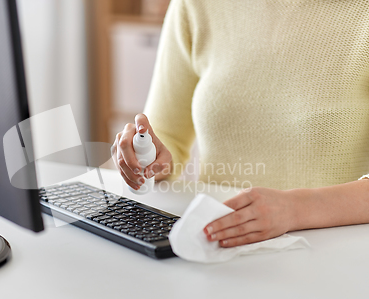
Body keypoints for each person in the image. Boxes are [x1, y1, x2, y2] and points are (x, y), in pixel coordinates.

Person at [111, 0, 369, 248]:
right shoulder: (197, 5)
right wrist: (145, 158)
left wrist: (296, 209)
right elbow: (168, 137)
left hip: (329, 256)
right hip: (216, 245)